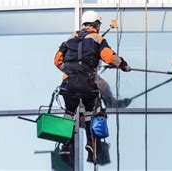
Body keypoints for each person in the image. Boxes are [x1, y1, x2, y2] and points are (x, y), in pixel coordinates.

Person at [54, 10, 131, 163]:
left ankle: (66, 145)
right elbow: (109, 57)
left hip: (68, 85)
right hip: (87, 85)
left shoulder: (70, 38)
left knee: (69, 112)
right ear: (96, 24)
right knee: (90, 113)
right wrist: (123, 65)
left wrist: (70, 71)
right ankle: (90, 143)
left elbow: (57, 60)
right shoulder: (98, 39)